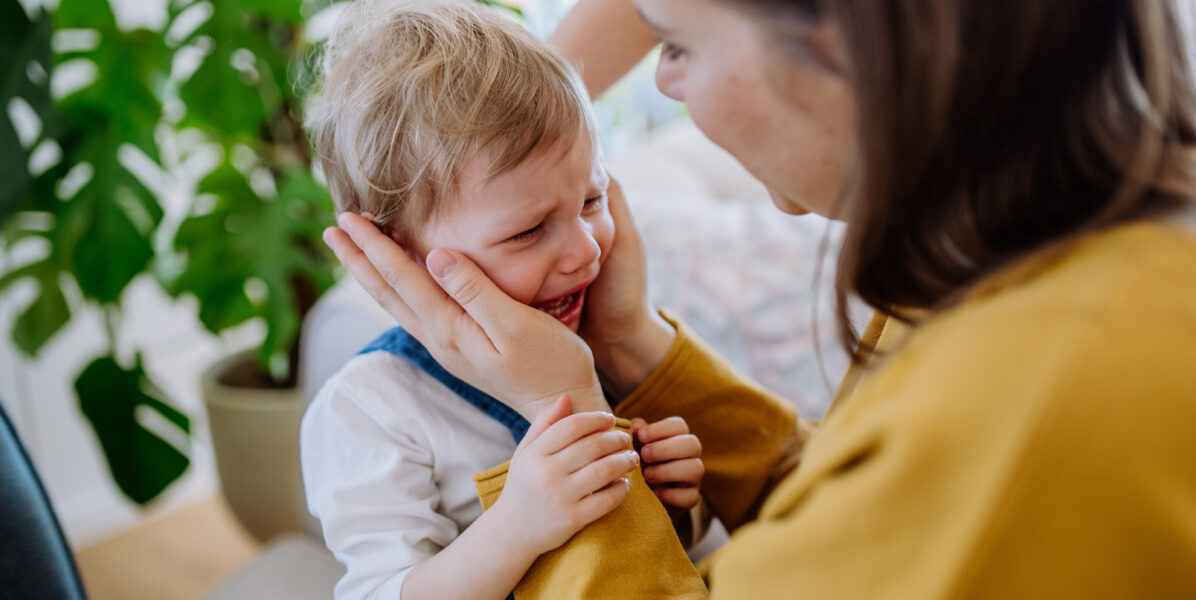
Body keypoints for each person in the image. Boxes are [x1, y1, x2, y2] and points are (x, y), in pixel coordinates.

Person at [324, 0, 1196, 597]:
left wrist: (571, 414)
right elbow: (842, 516)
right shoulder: (1014, 265)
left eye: (678, 42)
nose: (663, 82)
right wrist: (633, 356)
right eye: (525, 230)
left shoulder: (1031, 399)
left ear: (847, 38)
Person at [299, 2, 708, 598]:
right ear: (395, 252)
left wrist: (669, 506)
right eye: (526, 231)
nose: (585, 252)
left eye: (591, 201)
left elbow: (660, 561)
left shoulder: (587, 331)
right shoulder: (370, 409)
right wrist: (515, 529)